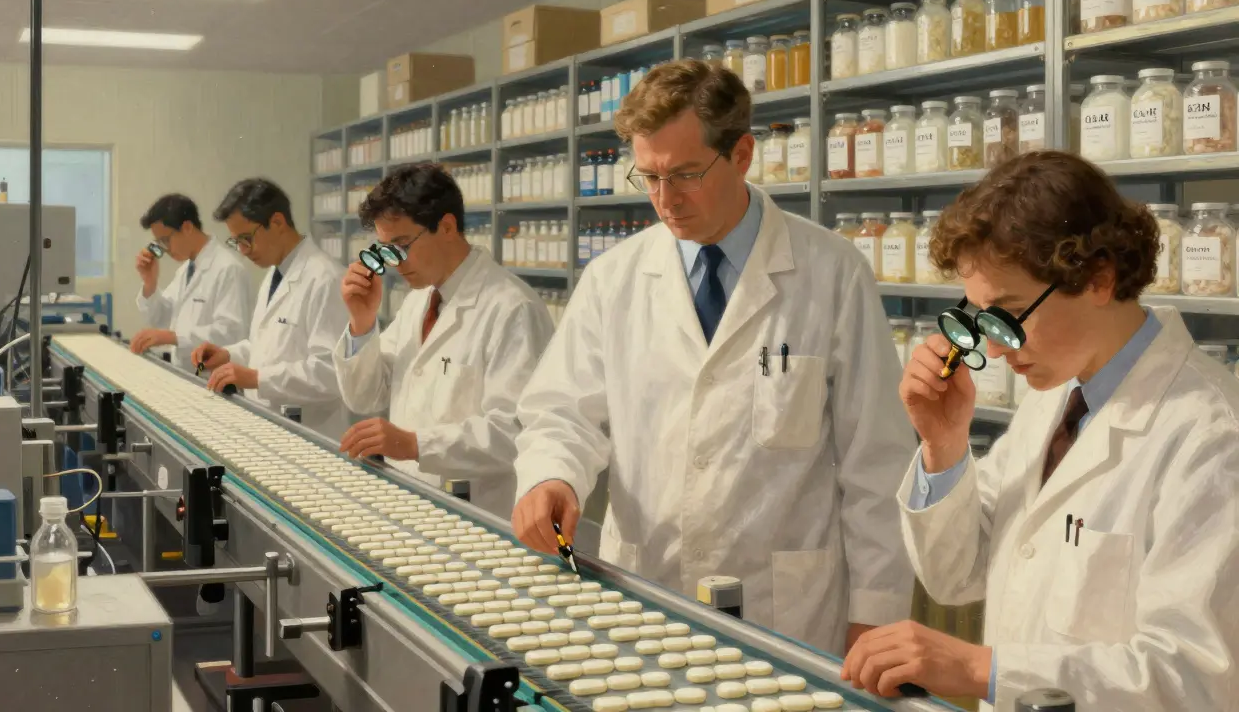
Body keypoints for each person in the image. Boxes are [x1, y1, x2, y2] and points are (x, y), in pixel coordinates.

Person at [509, 60, 916, 655]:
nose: (664, 200)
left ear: (743, 154)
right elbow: (562, 412)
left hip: (785, 609)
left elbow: (876, 460)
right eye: (646, 177)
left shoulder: (832, 272)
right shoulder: (613, 278)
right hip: (647, 589)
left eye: (685, 175)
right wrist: (551, 473)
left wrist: (875, 615)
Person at [841, 151, 1239, 711]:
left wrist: (982, 669)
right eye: (982, 319)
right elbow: (956, 578)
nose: (996, 347)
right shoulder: (1052, 400)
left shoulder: (1212, 436)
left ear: (1099, 278)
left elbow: (1195, 677)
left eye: (1009, 313)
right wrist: (944, 446)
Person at [334, 164, 553, 517]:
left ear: (447, 227)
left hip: (477, 517)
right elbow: (365, 396)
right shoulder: (419, 300)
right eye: (386, 250)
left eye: (402, 245)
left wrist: (416, 444)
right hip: (411, 502)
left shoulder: (512, 308)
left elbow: (515, 433)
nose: (394, 264)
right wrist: (361, 323)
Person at [191, 179, 350, 439]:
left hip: (310, 436)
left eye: (246, 238)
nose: (243, 251)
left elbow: (331, 374)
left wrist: (257, 379)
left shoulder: (327, 279)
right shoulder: (274, 275)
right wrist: (228, 355)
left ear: (277, 222)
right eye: (236, 242)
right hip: (271, 427)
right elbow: (268, 348)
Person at [129, 194, 251, 370]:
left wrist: (174, 337)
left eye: (165, 240)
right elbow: (161, 318)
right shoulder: (187, 269)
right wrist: (150, 283)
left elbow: (231, 333)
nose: (165, 250)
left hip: (213, 377)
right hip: (187, 372)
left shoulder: (228, 269)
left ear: (187, 227)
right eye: (159, 243)